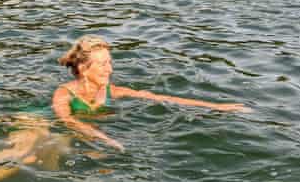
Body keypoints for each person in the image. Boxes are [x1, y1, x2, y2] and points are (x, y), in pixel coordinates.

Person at [52, 35, 250, 151]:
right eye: (103, 64)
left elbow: (161, 98)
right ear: (85, 68)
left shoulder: (113, 91)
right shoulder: (64, 94)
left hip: (87, 132)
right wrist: (104, 138)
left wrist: (217, 107)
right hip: (41, 123)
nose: (110, 69)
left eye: (110, 62)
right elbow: (67, 121)